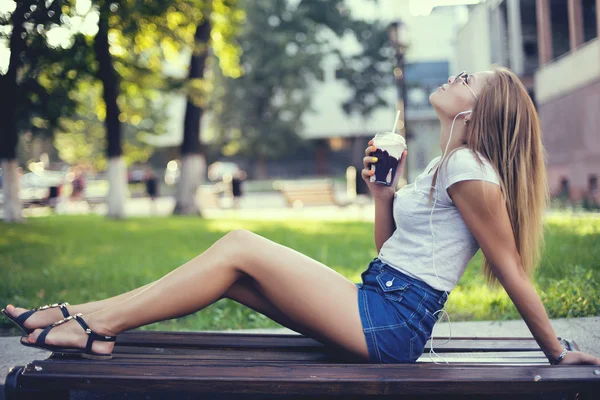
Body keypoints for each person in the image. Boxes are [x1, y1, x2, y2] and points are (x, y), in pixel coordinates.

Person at [3, 67, 599, 365]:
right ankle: (86, 319)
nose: (452, 78)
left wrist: (557, 351)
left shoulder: (471, 169)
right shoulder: (445, 164)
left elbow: (512, 270)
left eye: (465, 79)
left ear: (478, 108)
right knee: (232, 274)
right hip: (378, 301)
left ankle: (88, 325)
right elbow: (390, 248)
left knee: (238, 242)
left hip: (391, 324)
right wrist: (382, 195)